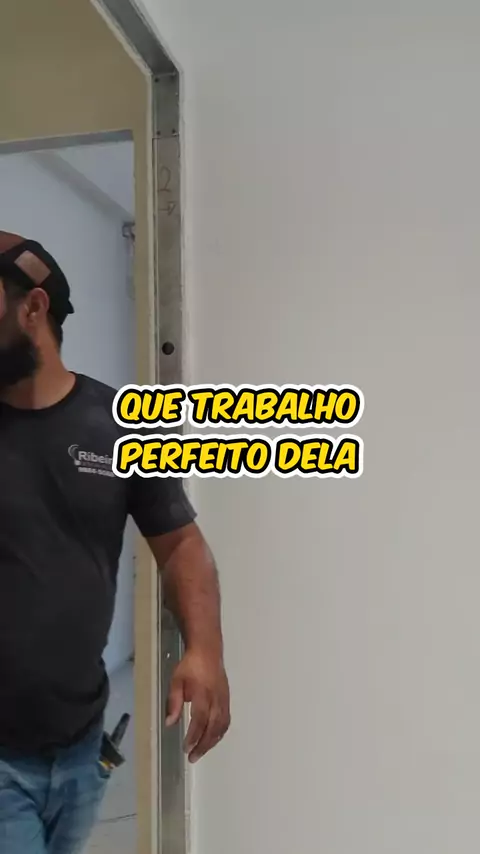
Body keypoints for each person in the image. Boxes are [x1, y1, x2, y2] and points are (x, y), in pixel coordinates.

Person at [0, 231, 230, 854]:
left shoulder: (116, 426)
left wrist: (205, 650)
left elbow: (181, 544)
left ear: (33, 307)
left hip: (81, 742)